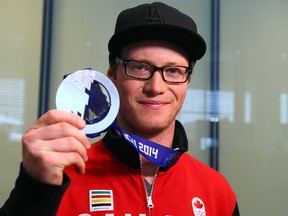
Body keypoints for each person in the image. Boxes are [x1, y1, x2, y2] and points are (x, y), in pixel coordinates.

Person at [0, 2, 240, 216]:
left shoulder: (217, 192)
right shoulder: (58, 178)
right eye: (139, 68)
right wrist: (33, 190)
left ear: (187, 81)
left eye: (174, 71)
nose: (155, 87)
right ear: (112, 77)